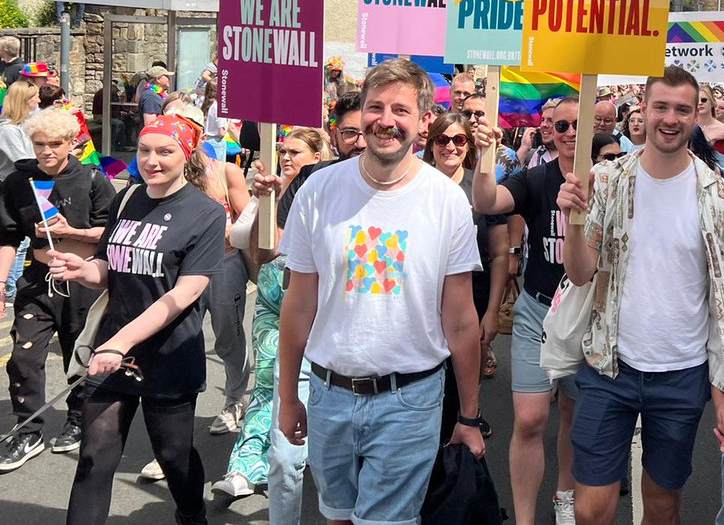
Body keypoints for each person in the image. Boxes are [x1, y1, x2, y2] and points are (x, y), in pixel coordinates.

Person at [276, 59, 484, 525]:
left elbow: (460, 319)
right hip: (329, 394)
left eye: (400, 110)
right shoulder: (318, 189)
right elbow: (299, 304)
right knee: (337, 517)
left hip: (409, 400)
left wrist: (469, 416)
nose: (385, 120)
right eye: (375, 107)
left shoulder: (447, 200)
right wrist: (289, 396)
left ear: (424, 121)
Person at [558, 66, 724, 525]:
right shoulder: (609, 180)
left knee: (662, 506)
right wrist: (573, 222)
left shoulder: (720, 197)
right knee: (590, 509)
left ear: (696, 115)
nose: (670, 119)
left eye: (682, 109)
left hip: (681, 373)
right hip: (609, 366)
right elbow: (580, 274)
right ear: (642, 110)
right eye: (661, 107)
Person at [48, 114, 224, 525]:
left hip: (168, 353)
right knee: (94, 457)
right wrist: (83, 269)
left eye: (165, 151)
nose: (151, 161)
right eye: (145, 150)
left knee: (173, 455)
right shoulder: (126, 198)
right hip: (111, 351)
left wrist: (120, 343)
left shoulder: (206, 214)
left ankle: (192, 515)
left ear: (186, 155)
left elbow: (184, 294)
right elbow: (109, 268)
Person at [473, 97, 582, 525]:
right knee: (531, 418)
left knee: (574, 415)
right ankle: (524, 520)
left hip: (587, 317)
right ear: (551, 132)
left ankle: (565, 496)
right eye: (562, 126)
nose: (570, 132)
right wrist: (486, 154)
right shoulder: (537, 178)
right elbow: (487, 201)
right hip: (538, 310)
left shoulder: (611, 180)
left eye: (579, 124)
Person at [212, 126, 330, 506]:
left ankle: (303, 458)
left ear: (316, 156)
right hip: (270, 301)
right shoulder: (271, 192)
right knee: (267, 382)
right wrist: (265, 202)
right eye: (283, 151)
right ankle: (244, 467)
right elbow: (260, 253)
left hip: (314, 305)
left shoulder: (326, 193)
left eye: (296, 151)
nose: (287, 157)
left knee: (311, 386)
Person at [0, 107, 116, 471]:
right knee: (23, 357)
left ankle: (78, 419)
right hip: (38, 279)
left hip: (83, 280)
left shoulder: (93, 179)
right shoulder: (18, 182)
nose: (46, 151)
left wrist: (72, 231)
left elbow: (111, 232)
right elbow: (7, 237)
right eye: (39, 144)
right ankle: (28, 430)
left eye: (54, 144)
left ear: (71, 142)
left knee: (78, 355)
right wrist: (0, 284)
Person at [162, 99, 252, 438]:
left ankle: (234, 399)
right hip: (178, 269)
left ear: (197, 134)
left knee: (228, 337)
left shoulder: (226, 172)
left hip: (222, 265)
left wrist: (224, 230)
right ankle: (176, 413)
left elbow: (248, 222)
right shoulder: (157, 173)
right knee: (179, 338)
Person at [424, 111, 509, 431]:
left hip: (474, 296)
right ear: (431, 145)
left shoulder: (482, 187)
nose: (450, 147)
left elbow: (499, 254)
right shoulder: (414, 184)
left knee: (466, 368)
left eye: (459, 140)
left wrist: (492, 312)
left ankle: (468, 416)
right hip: (424, 298)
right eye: (442, 140)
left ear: (468, 145)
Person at [0, 81, 38, 301]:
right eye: (34, 97)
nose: (39, 101)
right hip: (10, 189)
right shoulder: (8, 130)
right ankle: (10, 289)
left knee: (23, 243)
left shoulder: (21, 126)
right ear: (24, 101)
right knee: (16, 242)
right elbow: (22, 160)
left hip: (23, 187)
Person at [529, 98, 561, 168]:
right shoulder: (538, 155)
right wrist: (524, 148)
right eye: (542, 120)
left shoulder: (574, 155)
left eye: (550, 120)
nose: (543, 125)